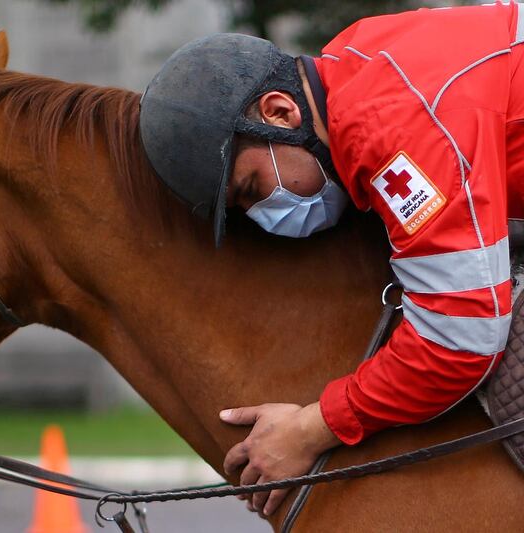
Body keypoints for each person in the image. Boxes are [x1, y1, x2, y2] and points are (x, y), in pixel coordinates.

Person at [138, 1, 524, 518]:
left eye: (252, 188)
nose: (265, 215)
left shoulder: (387, 127)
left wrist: (309, 428)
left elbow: (461, 337)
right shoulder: (352, 64)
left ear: (281, 113)